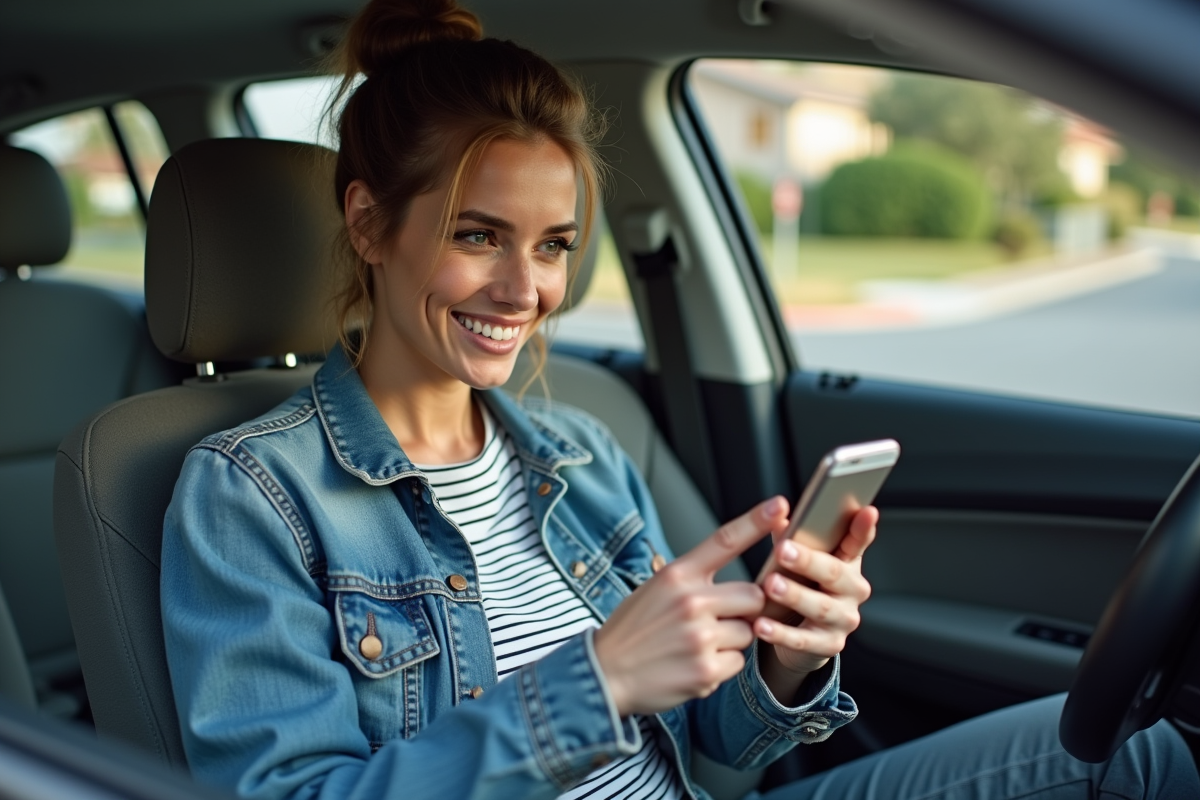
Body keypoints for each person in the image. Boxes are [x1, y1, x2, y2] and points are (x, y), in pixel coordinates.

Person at [159, 1, 1200, 798]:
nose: (527, 292)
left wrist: (788, 663)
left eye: (555, 245)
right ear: (371, 223)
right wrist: (592, 682)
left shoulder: (576, 451)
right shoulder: (252, 493)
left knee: (1140, 754)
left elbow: (714, 742)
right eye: (480, 235)